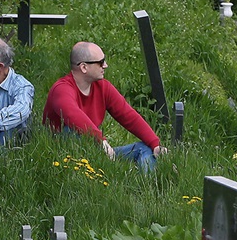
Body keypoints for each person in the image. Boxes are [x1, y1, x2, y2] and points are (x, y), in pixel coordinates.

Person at [43, 41, 165, 172]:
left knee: (145, 148)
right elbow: (72, 114)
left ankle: (147, 186)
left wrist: (155, 144)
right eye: (100, 62)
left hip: (96, 151)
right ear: (84, 67)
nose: (105, 66)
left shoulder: (103, 87)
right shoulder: (61, 89)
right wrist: (100, 140)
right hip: (64, 158)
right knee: (72, 131)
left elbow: (129, 116)